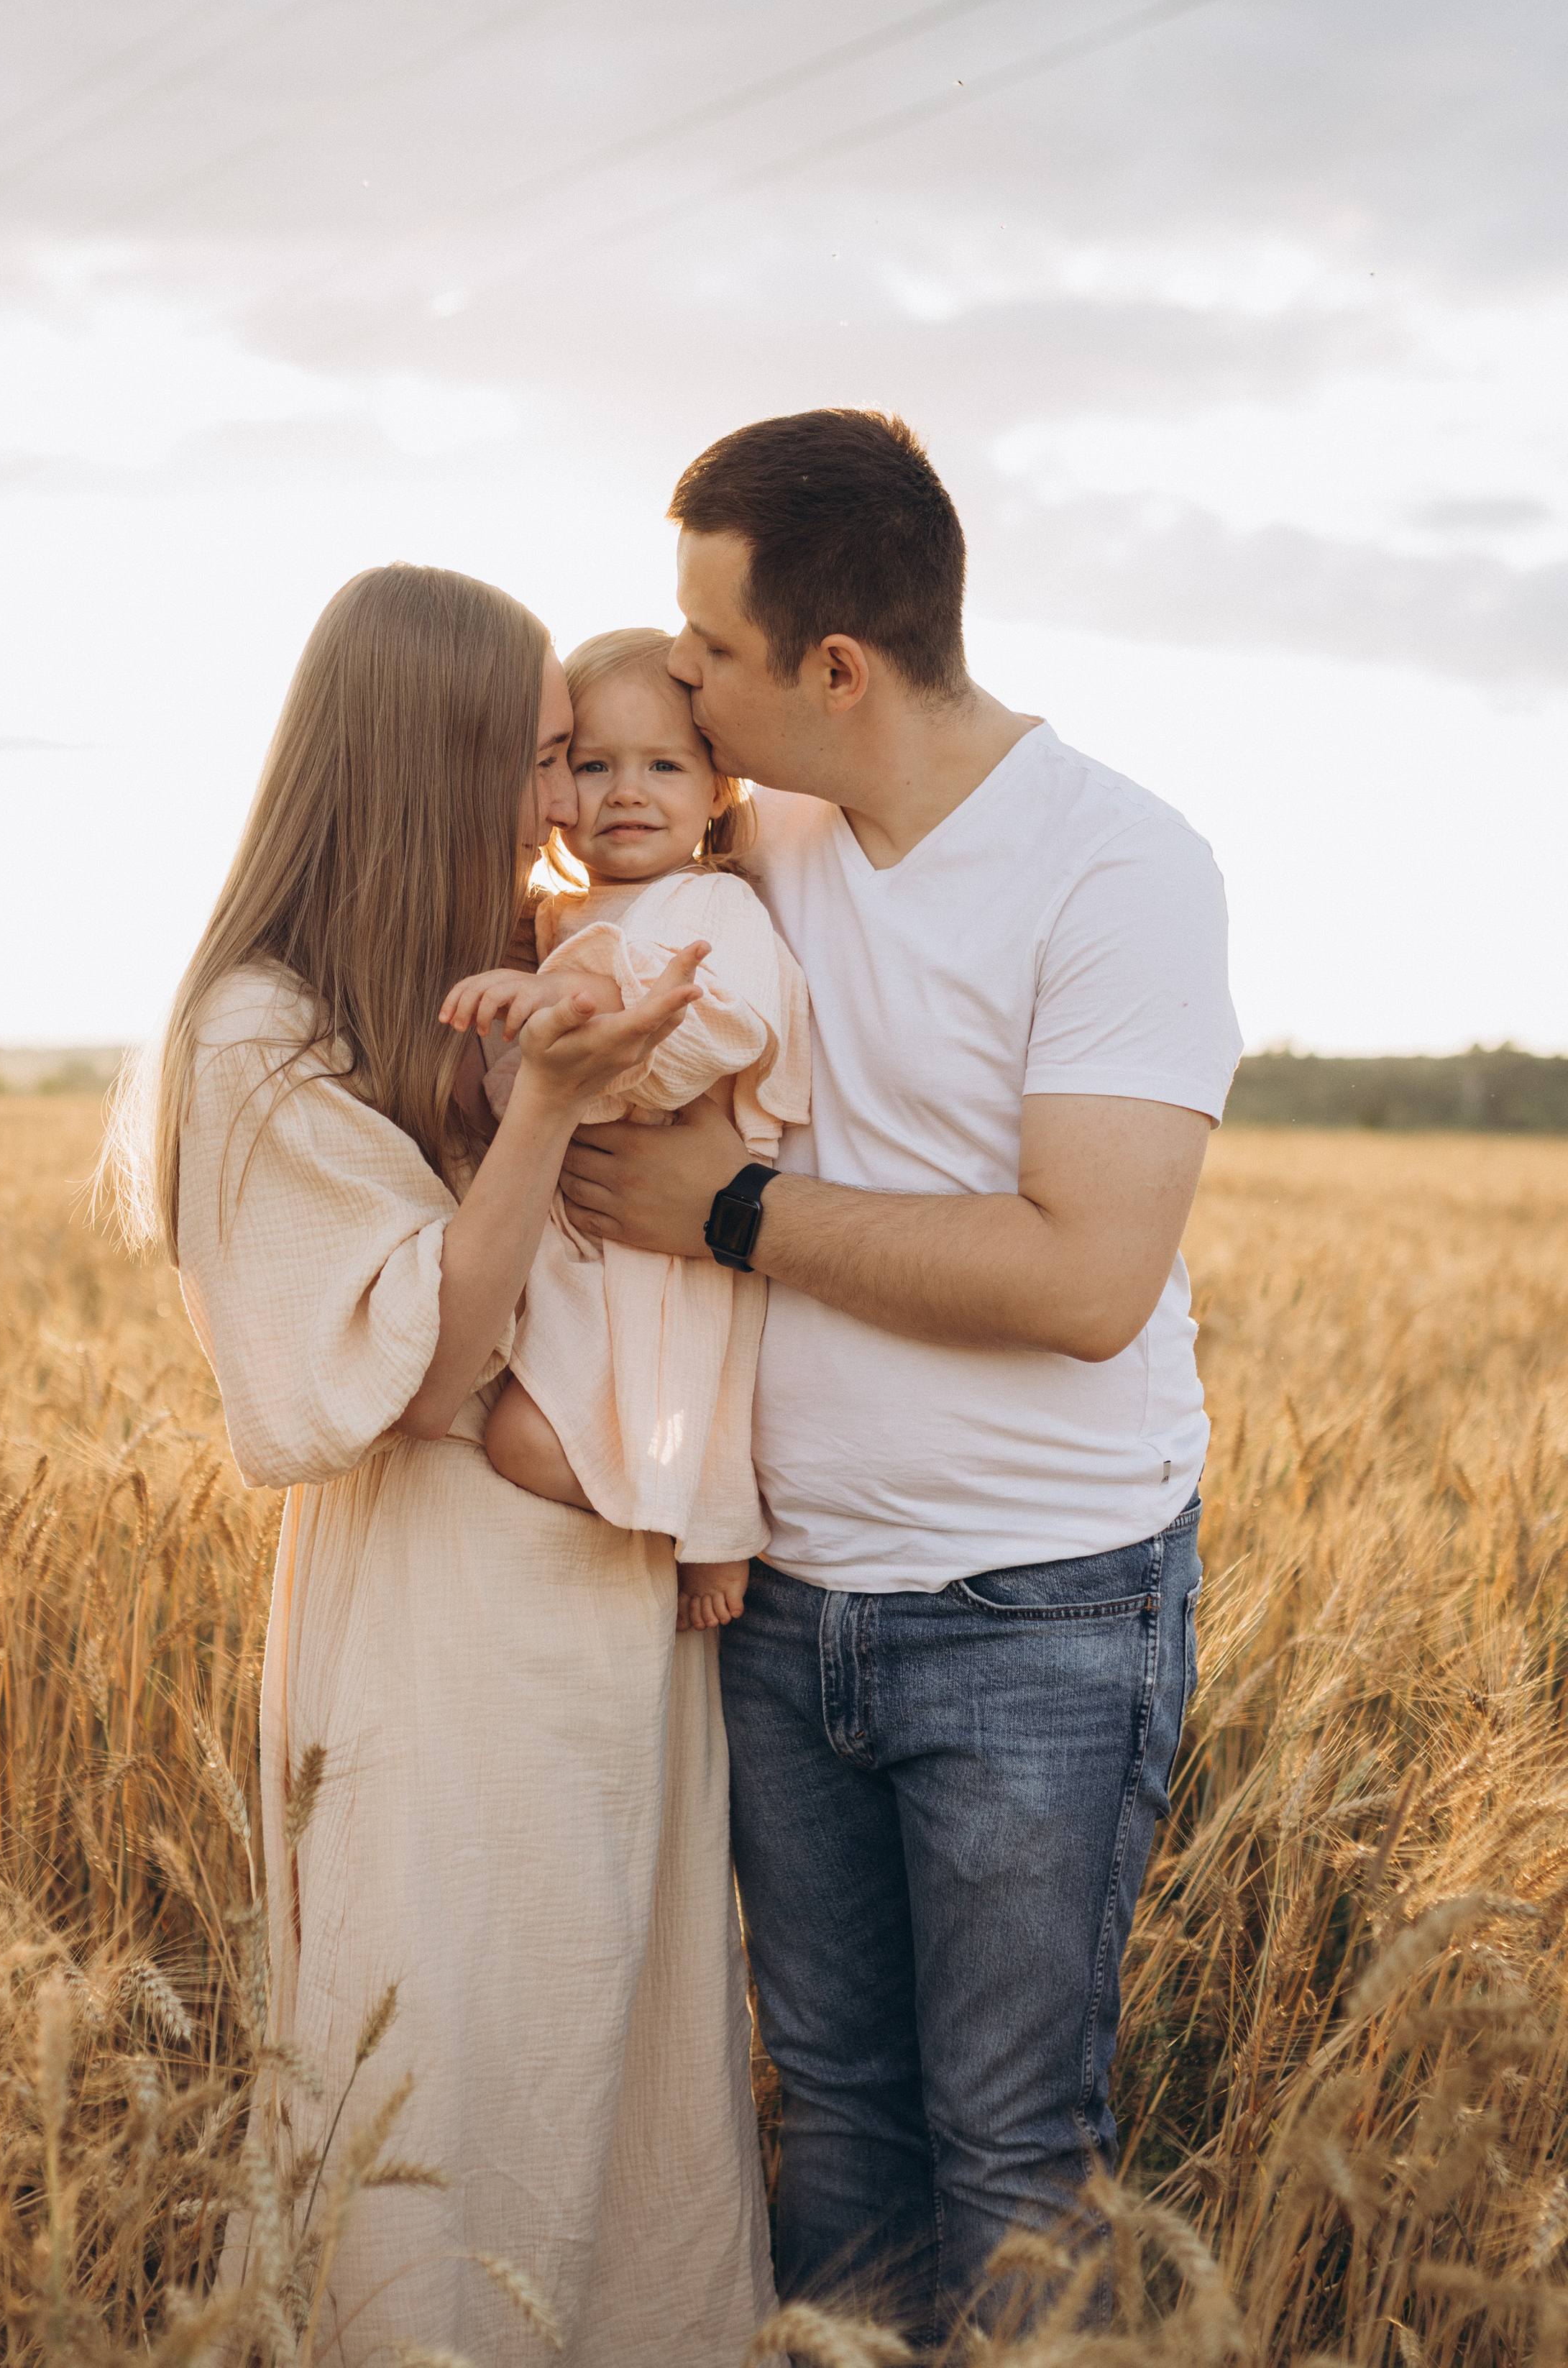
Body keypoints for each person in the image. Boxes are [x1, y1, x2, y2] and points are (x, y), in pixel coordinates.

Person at [558, 410, 1244, 2337]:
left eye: (707, 650)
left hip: (1037, 1610)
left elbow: (1089, 1275)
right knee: (837, 2124)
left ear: (830, 670)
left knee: (1018, 2154)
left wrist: (736, 1212)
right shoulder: (751, 830)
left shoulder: (1119, 868)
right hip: (782, 1608)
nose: (679, 684)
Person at [105, 566, 776, 2366]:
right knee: (443, 2051)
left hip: (607, 1592)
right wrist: (550, 1108)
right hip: (438, 1621)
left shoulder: (500, 970)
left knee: (613, 2062)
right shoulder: (259, 1031)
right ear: (437, 755)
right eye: (547, 759)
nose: (570, 805)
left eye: (584, 763)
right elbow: (426, 1353)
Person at [441, 625, 810, 1632]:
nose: (625, 791)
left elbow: (728, 1026)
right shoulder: (555, 917)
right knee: (521, 1431)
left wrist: (578, 989)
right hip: (571, 1241)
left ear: (715, 790)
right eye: (590, 765)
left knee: (676, 1388)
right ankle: (669, 1510)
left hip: (665, 1242)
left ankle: (711, 1522)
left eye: (663, 765)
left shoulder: (712, 902)